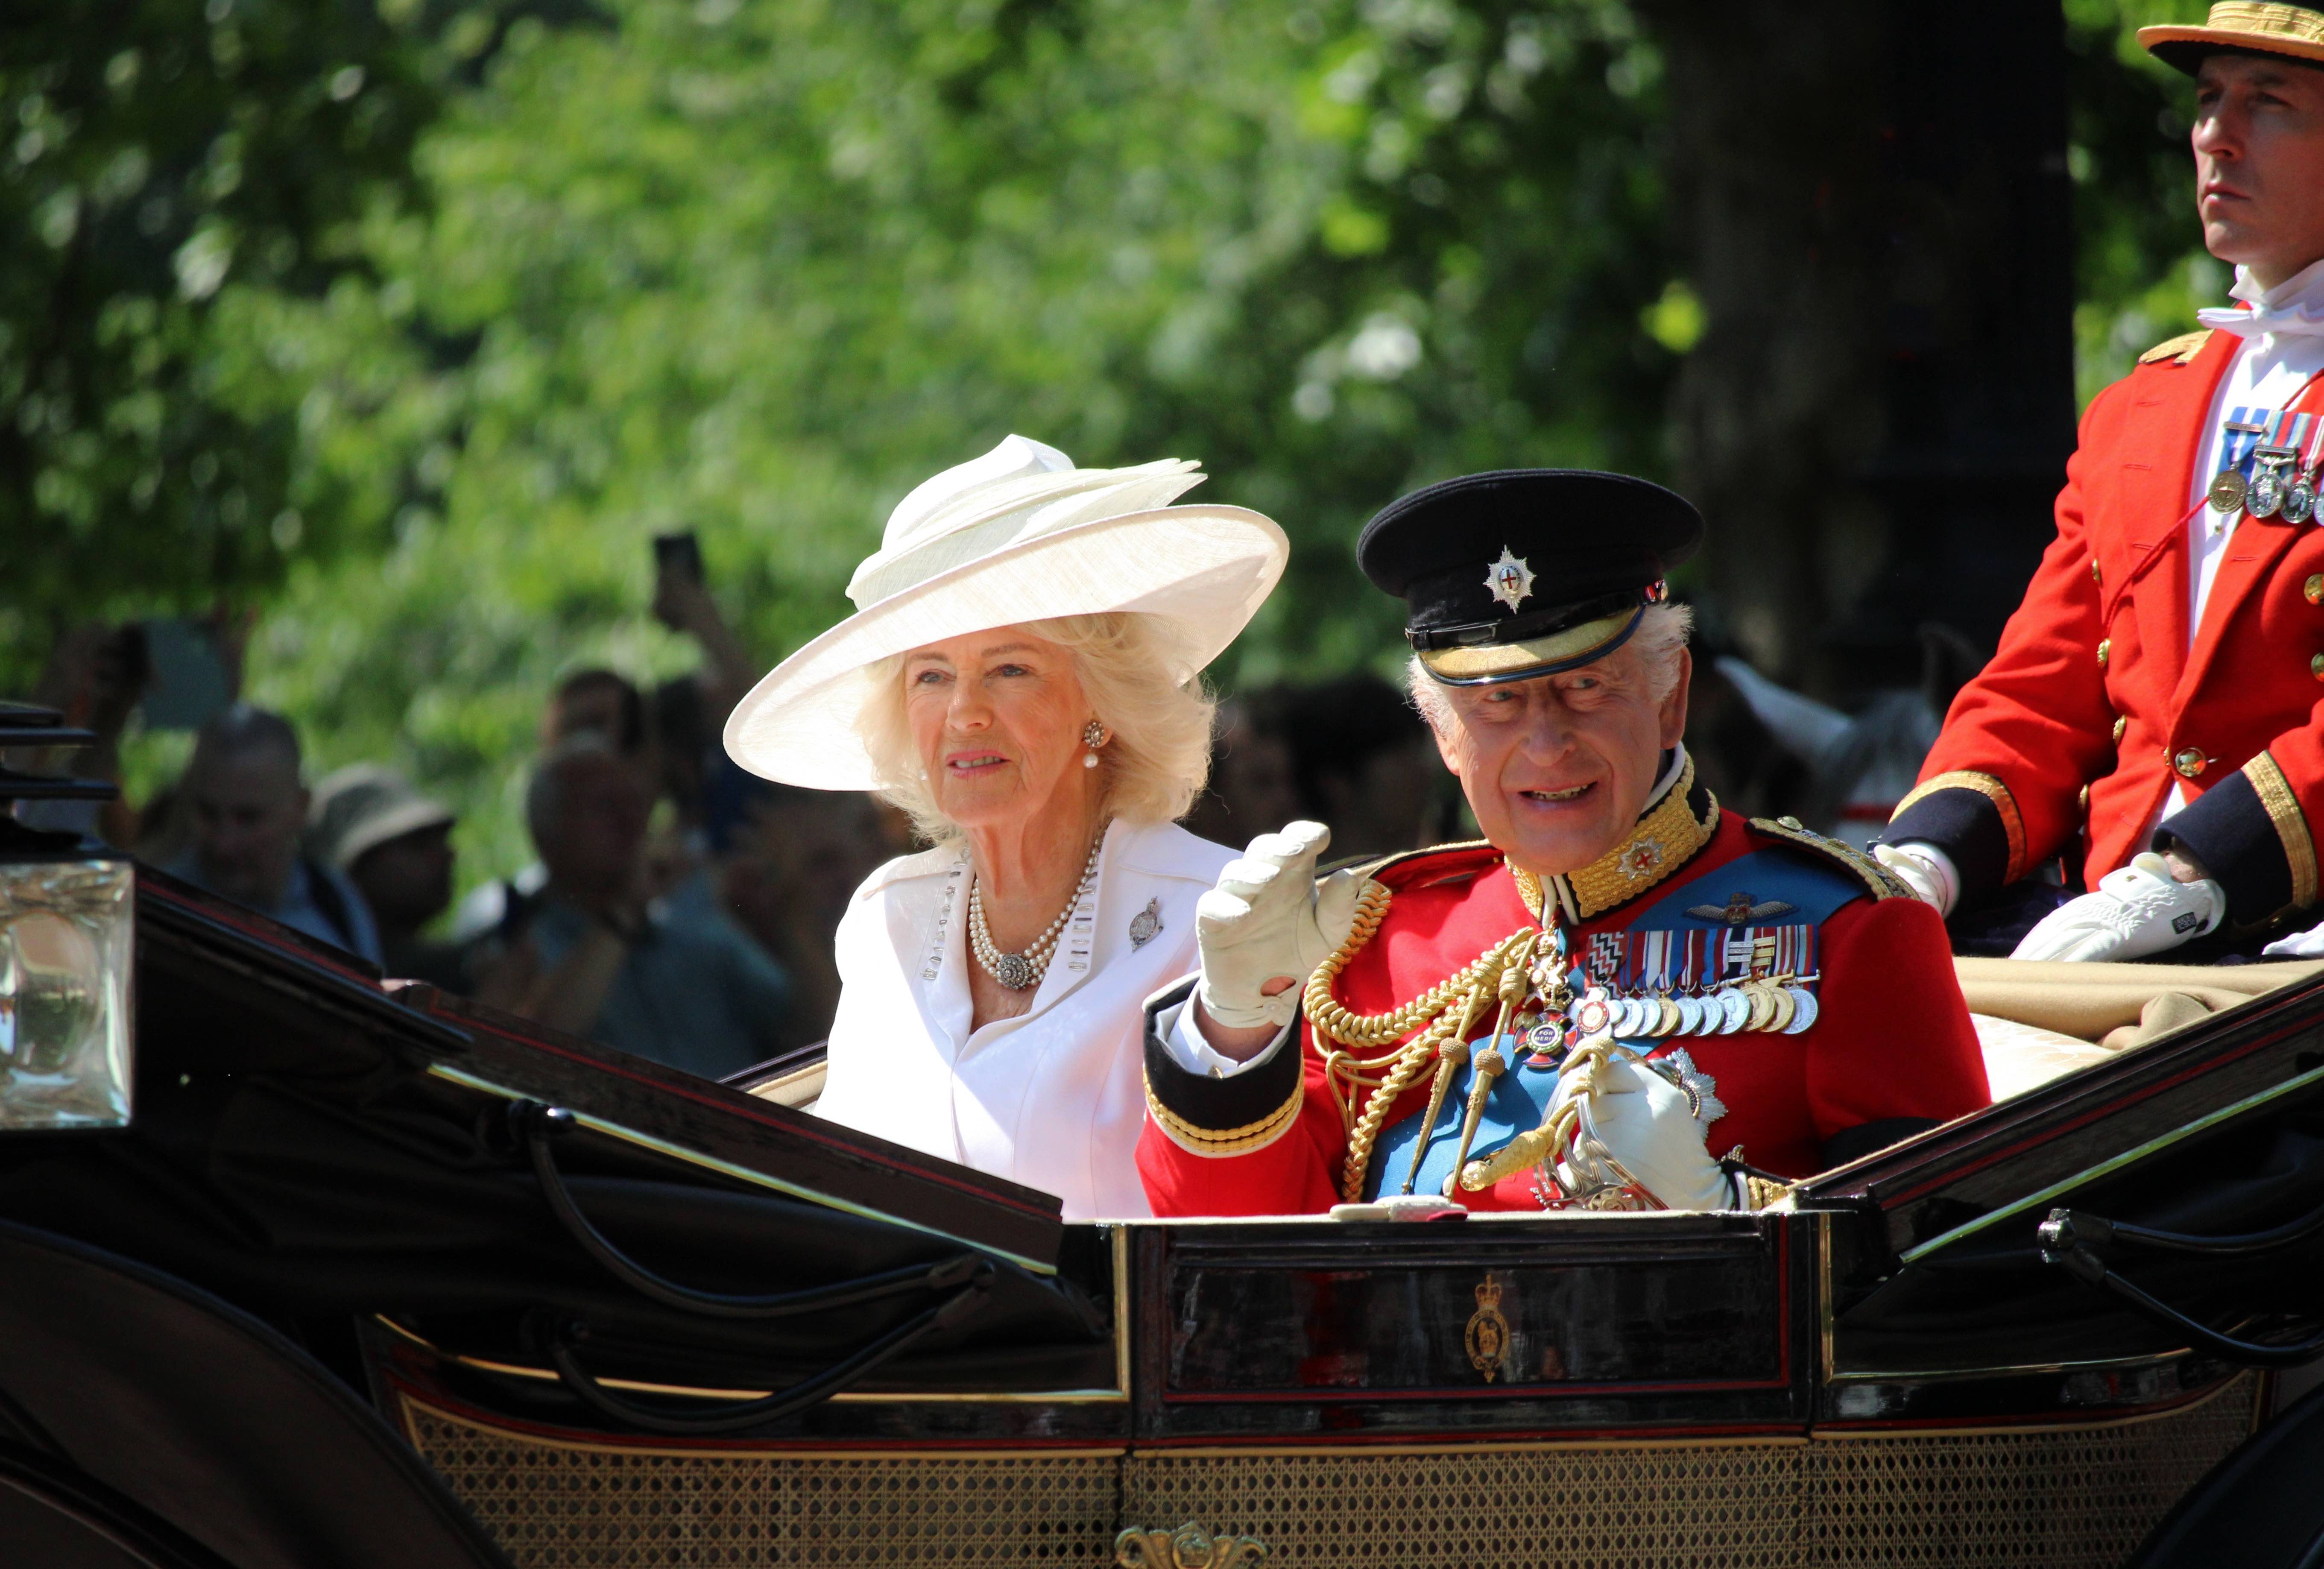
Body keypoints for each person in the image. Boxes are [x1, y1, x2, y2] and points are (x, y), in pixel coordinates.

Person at [1137, 471, 1988, 1218]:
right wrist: (1235, 1028)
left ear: (1669, 697)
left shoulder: (1848, 929)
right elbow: (1236, 1250)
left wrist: (1730, 1208)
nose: (1547, 746)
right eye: (1497, 705)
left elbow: (1942, 1274)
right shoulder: (1379, 942)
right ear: (1443, 734)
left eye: (1585, 687)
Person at [722, 434, 1287, 1220]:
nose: (964, 712)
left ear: (1099, 701)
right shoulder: (886, 918)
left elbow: (1250, 1219)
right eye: (932, 675)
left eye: (1009, 667)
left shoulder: (1214, 918)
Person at [1882, 10, 2324, 963]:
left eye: (2268, 101)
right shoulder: (2143, 405)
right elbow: (2042, 686)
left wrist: (2195, 874)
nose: (2215, 133)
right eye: (2209, 100)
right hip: (2099, 930)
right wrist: (1925, 861)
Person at [475, 737, 792, 1080]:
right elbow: (530, 1048)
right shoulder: (527, 951)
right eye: (604, 805)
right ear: (547, 833)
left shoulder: (697, 932)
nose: (630, 820)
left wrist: (791, 901)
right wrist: (626, 911)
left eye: (635, 802)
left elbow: (804, 1024)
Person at [161, 705, 383, 965]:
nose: (225, 844)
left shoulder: (337, 905)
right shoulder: (157, 908)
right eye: (208, 814)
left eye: (248, 819)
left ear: (301, 808)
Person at [307, 764, 467, 989]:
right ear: (355, 868)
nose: (446, 854)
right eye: (418, 843)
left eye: (440, 840)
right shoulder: (322, 972)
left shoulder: (453, 967)